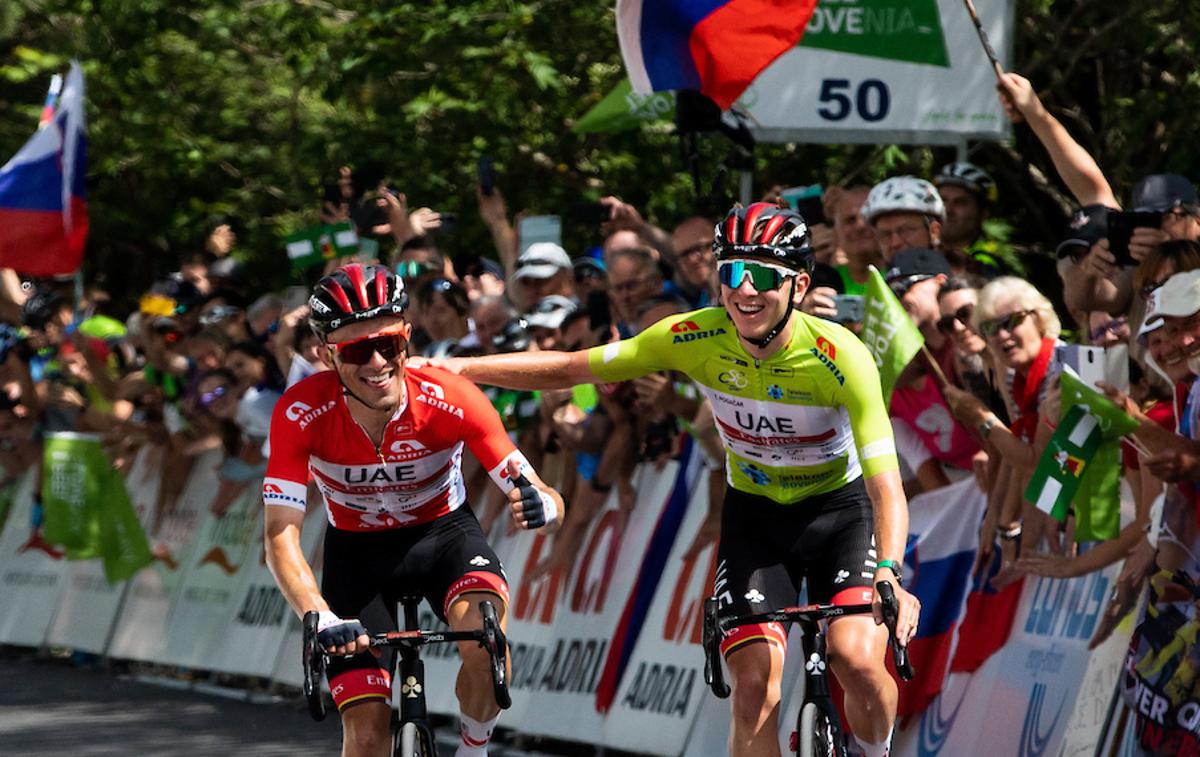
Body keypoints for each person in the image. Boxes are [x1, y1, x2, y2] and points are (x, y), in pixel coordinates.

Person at [419, 203, 920, 757]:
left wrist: (891, 574)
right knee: (752, 688)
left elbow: (886, 487)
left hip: (839, 514)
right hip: (757, 518)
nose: (744, 290)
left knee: (855, 657)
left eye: (763, 276)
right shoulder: (695, 336)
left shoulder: (841, 357)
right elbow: (571, 367)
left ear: (799, 285)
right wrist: (464, 369)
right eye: (730, 272)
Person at [263, 264, 564, 757]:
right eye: (357, 350)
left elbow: (545, 492)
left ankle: (474, 747)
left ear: (407, 337)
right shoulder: (300, 413)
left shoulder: (452, 397)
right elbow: (280, 534)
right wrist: (316, 613)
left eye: (391, 345)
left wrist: (543, 507)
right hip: (357, 559)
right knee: (365, 735)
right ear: (326, 356)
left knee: (488, 649)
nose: (378, 362)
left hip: (445, 537)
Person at [861, 176, 945, 264]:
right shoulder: (875, 276)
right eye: (885, 235)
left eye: (906, 230)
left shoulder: (957, 275)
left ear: (934, 231)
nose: (895, 243)